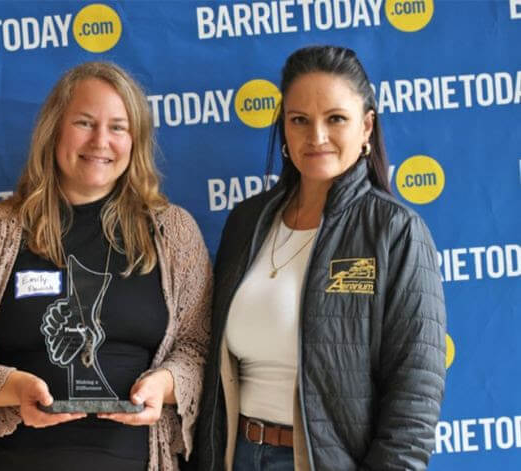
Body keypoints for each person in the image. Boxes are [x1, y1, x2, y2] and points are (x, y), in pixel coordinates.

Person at [0, 61, 212, 471]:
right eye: (85, 123)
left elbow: (200, 350)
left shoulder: (173, 233)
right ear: (54, 130)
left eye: (118, 127)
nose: (100, 141)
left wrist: (165, 385)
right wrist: (12, 387)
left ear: (136, 139)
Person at [190, 45, 446, 470]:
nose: (317, 136)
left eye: (336, 119)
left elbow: (414, 400)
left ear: (366, 127)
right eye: (299, 120)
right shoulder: (247, 222)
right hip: (240, 455)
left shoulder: (396, 232)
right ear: (284, 129)